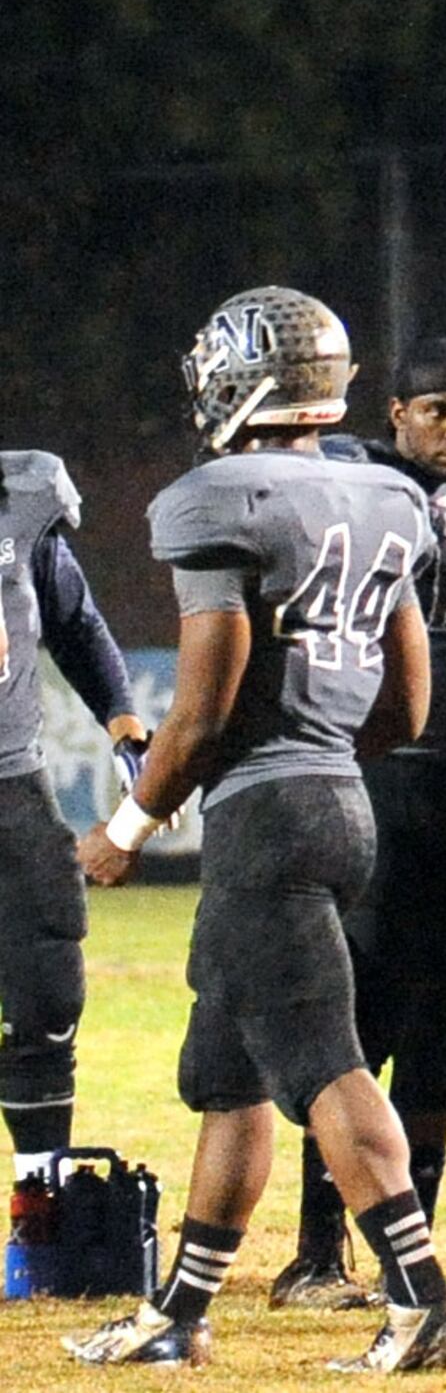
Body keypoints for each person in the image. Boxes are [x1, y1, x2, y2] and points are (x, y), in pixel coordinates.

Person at [67, 285, 446, 1371]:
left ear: (247, 377)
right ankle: (180, 1311)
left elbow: (202, 705)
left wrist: (127, 823)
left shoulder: (220, 497)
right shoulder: (388, 500)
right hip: (341, 798)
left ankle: (422, 1295)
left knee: (324, 1066)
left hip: (269, 816)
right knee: (235, 1072)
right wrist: (320, 754)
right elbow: (409, 708)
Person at [269, 341, 446, 1309]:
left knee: (438, 1032)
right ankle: (315, 1253)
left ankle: (408, 1254)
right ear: (394, 413)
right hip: (371, 783)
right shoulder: (344, 480)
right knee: (356, 1028)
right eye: (440, 411)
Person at [0, 442, 149, 1181]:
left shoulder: (23, 501)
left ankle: (40, 1194)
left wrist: (125, 727)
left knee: (47, 994)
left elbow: (76, 624)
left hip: (11, 786)